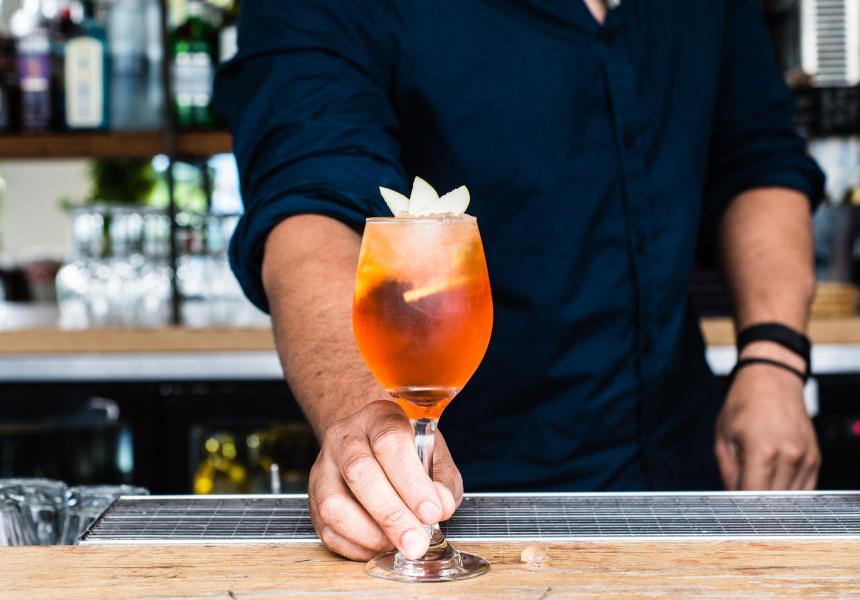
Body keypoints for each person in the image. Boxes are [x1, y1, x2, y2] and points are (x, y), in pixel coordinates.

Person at [213, 0, 825, 562]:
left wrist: (773, 358)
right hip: (475, 508)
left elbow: (757, 156)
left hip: (689, 477)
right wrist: (369, 422)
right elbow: (309, 206)